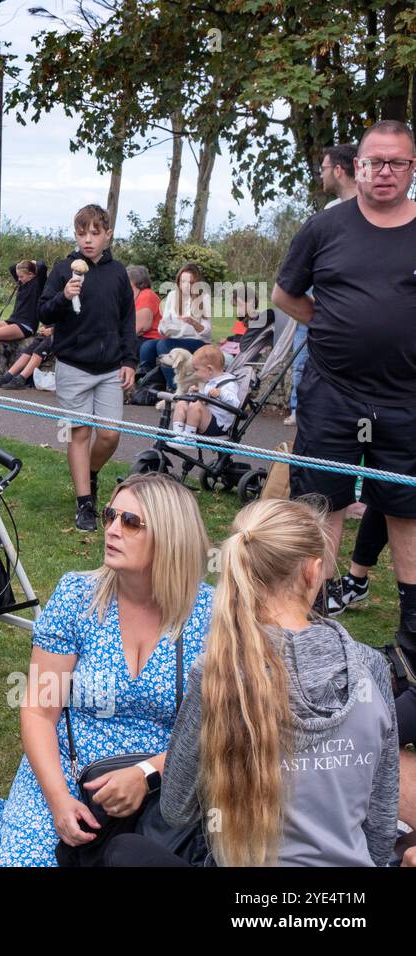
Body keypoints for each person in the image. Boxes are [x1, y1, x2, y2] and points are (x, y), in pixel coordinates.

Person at [0, 474, 213, 866]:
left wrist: (146, 774)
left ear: (171, 536)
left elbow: (219, 732)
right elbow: (41, 712)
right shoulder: (78, 597)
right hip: (70, 768)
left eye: (130, 522)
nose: (110, 529)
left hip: (167, 781)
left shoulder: (210, 614)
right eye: (110, 515)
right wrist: (59, 800)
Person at [124, 498, 398, 867]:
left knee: (122, 850)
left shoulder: (216, 674)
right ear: (313, 572)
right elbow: (381, 821)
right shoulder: (371, 667)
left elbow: (176, 809)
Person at [271, 120, 416, 685]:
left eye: (396, 163)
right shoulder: (324, 227)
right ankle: (310, 623)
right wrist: (332, 324)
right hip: (332, 394)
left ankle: (410, 640)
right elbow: (286, 294)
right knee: (320, 506)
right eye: (374, 162)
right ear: (356, 167)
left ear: (411, 168)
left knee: (406, 510)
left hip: (406, 401)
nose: (384, 172)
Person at [38, 203, 136, 532]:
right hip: (72, 366)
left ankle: (90, 474)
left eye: (95, 233)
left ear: (108, 234)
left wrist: (130, 361)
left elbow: (127, 319)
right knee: (78, 434)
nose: (88, 240)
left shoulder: (117, 272)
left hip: (109, 369)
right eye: (82, 233)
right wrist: (64, 296)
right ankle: (85, 504)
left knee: (109, 435)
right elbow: (45, 313)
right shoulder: (64, 269)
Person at [285, 143, 361, 426]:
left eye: (324, 168)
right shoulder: (327, 214)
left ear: (339, 171)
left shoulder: (372, 213)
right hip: (315, 300)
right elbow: (286, 289)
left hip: (343, 311)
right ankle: (301, 410)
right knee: (304, 361)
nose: (321, 175)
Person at [0, 259, 47, 385]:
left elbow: (42, 266)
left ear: (31, 275)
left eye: (22, 276)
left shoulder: (37, 284)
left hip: (26, 325)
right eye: (18, 276)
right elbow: (12, 267)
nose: (18, 279)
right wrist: (23, 265)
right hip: (14, 320)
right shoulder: (22, 283)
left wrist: (32, 262)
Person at [166, 344, 239, 448]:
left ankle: (189, 439)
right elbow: (206, 401)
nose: (195, 374)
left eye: (196, 370)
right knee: (181, 403)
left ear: (209, 369)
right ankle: (178, 434)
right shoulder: (210, 382)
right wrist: (197, 393)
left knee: (196, 406)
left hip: (216, 426)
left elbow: (235, 403)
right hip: (206, 419)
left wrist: (221, 394)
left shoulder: (229, 384)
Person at [154, 263, 210, 389]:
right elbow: (164, 322)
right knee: (147, 347)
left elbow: (207, 332)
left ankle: (176, 389)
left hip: (196, 341)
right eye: (183, 281)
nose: (186, 285)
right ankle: (148, 385)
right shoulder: (172, 296)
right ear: (178, 281)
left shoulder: (203, 298)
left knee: (163, 345)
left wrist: (193, 322)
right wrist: (164, 330)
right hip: (174, 338)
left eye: (190, 282)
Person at [0, 323, 54, 390]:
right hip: (47, 333)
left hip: (59, 335)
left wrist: (52, 330)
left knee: (39, 351)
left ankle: (21, 379)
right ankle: (8, 376)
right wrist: (43, 327)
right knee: (28, 351)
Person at [128, 264, 164, 373]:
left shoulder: (146, 295)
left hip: (150, 339)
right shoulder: (136, 296)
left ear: (133, 281)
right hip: (142, 339)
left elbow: (141, 328)